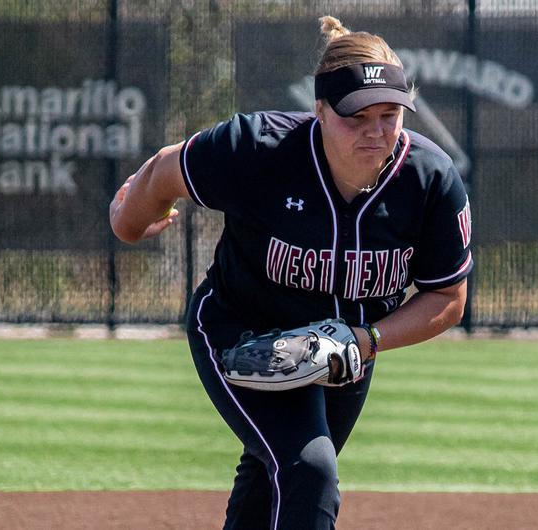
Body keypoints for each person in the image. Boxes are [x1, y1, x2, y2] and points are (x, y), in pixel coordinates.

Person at [109, 15, 472, 530]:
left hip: (345, 354)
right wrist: (128, 225)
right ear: (319, 109)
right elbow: (166, 168)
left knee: (273, 485)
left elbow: (448, 298)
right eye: (356, 116)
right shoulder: (258, 149)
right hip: (242, 333)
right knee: (310, 473)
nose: (376, 131)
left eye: (390, 114)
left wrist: (364, 341)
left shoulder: (428, 179)